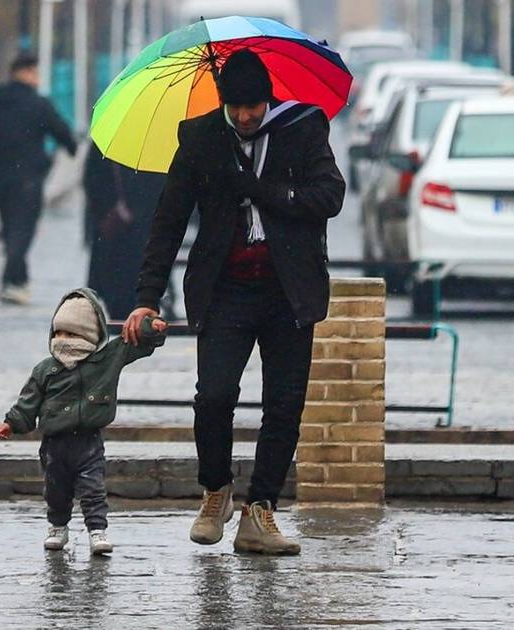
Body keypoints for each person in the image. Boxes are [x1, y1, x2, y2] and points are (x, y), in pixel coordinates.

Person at [123, 50, 345, 555]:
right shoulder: (201, 138)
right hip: (225, 289)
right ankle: (216, 490)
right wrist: (146, 298)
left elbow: (328, 197)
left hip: (289, 288)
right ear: (223, 102)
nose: (246, 117)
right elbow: (168, 221)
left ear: (268, 99)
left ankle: (260, 510)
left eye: (254, 107)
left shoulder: (304, 127)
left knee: (285, 405)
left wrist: (263, 190)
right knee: (215, 396)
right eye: (236, 107)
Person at [0, 289, 167, 555]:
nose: (63, 340)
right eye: (59, 333)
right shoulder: (46, 369)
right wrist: (13, 422)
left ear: (90, 336)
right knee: (56, 490)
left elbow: (134, 343)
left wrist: (150, 328)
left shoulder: (105, 360)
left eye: (72, 334)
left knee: (93, 489)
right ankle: (58, 526)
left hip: (88, 441)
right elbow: (28, 401)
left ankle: (97, 530)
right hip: (54, 444)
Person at [0, 53, 77, 305]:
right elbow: (62, 131)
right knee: (23, 230)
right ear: (27, 72)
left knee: (9, 228)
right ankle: (12, 278)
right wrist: (71, 147)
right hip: (27, 176)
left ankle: (17, 281)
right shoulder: (38, 103)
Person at [83, 142, 166, 319]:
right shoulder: (158, 147)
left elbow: (92, 178)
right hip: (133, 228)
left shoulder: (112, 142)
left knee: (120, 286)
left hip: (121, 227)